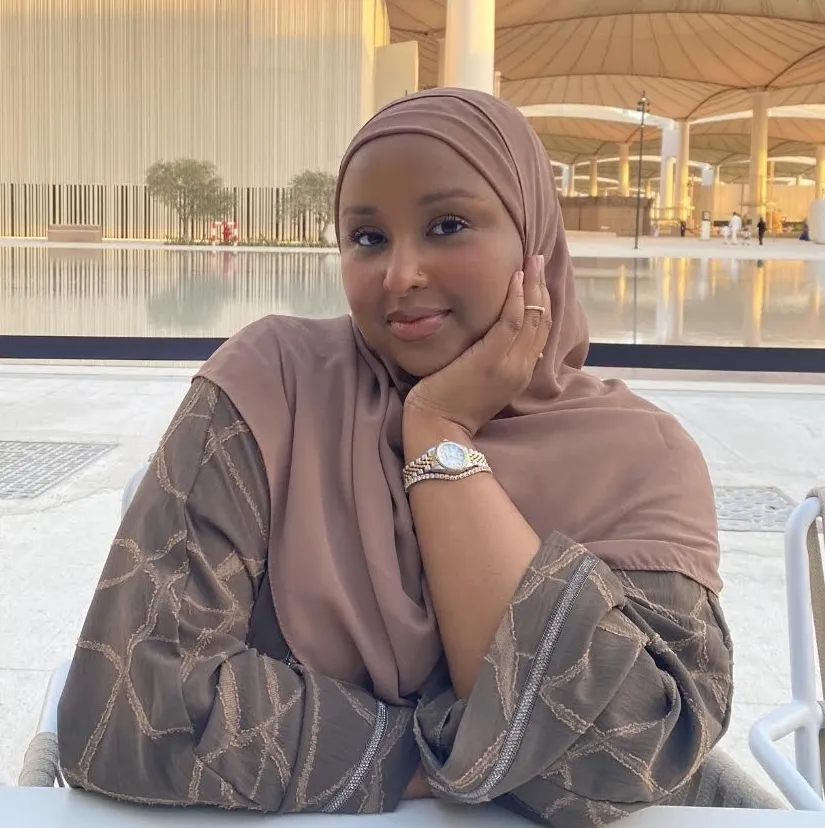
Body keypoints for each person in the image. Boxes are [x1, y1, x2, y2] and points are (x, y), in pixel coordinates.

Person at [57, 89, 734, 823]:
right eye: (368, 238)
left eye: (447, 226)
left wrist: (438, 433)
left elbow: (626, 752)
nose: (399, 275)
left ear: (532, 240)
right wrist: (466, 749)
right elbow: (128, 707)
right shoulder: (271, 385)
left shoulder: (636, 456)